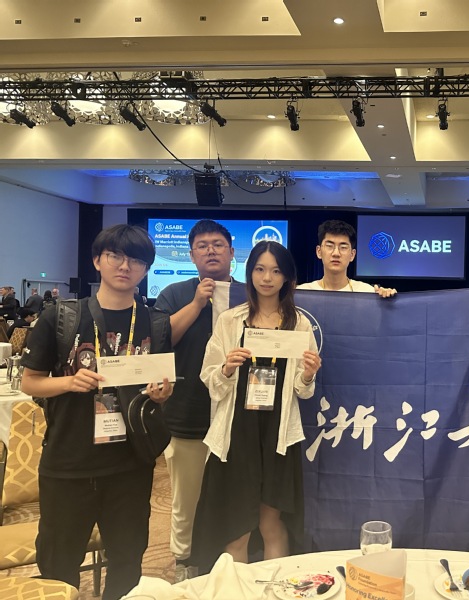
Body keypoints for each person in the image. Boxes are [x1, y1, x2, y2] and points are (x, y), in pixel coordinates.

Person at [20, 224, 173, 599]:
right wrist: (69, 382)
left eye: (136, 260)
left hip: (130, 465)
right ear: (97, 261)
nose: (125, 266)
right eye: (115, 256)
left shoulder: (155, 322)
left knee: (127, 562)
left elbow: (157, 386)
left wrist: (161, 394)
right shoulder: (61, 316)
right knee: (58, 565)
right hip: (68, 463)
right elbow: (30, 383)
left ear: (146, 269)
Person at [192, 241, 321, 571]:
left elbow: (302, 391)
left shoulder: (299, 324)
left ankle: (275, 589)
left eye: (276, 271)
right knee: (238, 530)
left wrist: (308, 374)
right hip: (237, 433)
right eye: (260, 269)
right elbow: (210, 380)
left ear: (287, 277)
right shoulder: (230, 321)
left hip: (278, 434)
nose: (267, 278)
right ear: (250, 274)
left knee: (271, 524)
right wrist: (226, 369)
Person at [154, 219, 236, 581]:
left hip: (237, 414)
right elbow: (161, 341)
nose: (210, 251)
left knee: (233, 494)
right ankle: (185, 562)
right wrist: (197, 303)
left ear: (231, 252)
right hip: (188, 412)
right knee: (186, 498)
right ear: (191, 255)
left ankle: (230, 559)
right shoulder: (174, 293)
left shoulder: (249, 293)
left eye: (217, 244)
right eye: (202, 246)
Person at [297, 220, 396, 297]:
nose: (336, 253)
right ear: (319, 252)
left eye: (343, 247)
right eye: (329, 246)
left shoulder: (367, 293)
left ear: (352, 255)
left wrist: (387, 299)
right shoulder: (303, 293)